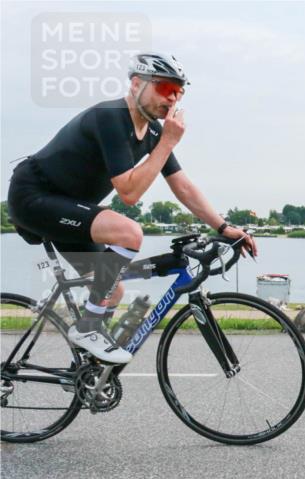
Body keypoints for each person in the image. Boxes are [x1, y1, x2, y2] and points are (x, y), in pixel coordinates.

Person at [6, 52, 257, 364]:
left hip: (69, 207)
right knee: (128, 232)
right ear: (137, 83)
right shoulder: (111, 117)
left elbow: (182, 186)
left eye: (180, 92)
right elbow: (128, 192)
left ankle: (85, 371)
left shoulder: (152, 132)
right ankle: (88, 329)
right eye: (166, 88)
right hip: (33, 196)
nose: (173, 99)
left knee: (113, 291)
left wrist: (223, 226)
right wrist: (167, 143)